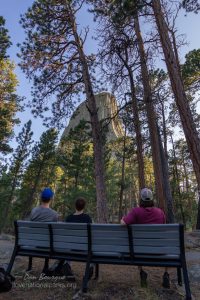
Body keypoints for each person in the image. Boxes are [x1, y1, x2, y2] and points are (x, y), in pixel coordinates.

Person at [121, 188, 170, 288]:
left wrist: (122, 219)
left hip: (140, 251)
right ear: (152, 199)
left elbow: (123, 223)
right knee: (166, 244)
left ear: (141, 199)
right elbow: (164, 230)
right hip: (159, 250)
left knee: (136, 245)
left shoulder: (136, 211)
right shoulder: (160, 212)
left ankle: (141, 271)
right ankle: (166, 274)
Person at [28, 187, 58, 272]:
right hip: (47, 244)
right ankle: (45, 266)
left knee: (35, 235)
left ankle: (29, 266)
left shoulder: (34, 210)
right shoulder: (54, 214)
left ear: (41, 198)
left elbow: (31, 227)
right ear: (50, 199)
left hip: (33, 242)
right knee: (49, 237)